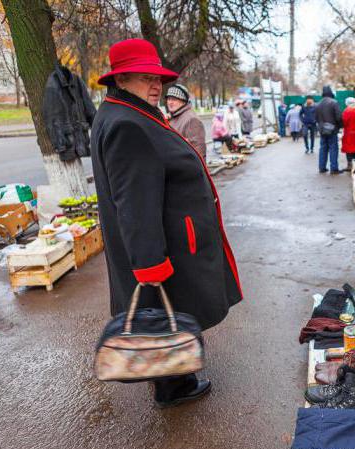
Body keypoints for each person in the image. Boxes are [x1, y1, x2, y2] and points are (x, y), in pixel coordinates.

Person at [91, 38, 243, 408]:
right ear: (121, 78)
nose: (156, 84)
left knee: (166, 310)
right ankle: (173, 385)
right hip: (164, 245)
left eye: (158, 77)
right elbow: (135, 203)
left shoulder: (127, 113)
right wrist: (149, 262)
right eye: (146, 77)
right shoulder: (129, 123)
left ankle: (173, 376)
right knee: (164, 309)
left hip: (169, 239)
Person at [165, 84, 207, 160]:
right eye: (169, 99)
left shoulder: (192, 120)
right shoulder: (172, 117)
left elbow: (199, 153)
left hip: (185, 169)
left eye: (174, 99)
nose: (170, 102)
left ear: (183, 101)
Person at [315, 86, 343, 173]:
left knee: (323, 148)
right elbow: (339, 117)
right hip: (332, 130)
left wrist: (321, 126)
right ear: (331, 92)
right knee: (333, 148)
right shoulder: (334, 102)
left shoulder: (317, 104)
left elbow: (315, 118)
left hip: (322, 130)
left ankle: (322, 167)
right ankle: (334, 168)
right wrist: (340, 126)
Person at [341, 97, 355, 170]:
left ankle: (349, 165)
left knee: (349, 150)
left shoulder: (347, 111)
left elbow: (344, 122)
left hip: (349, 133)